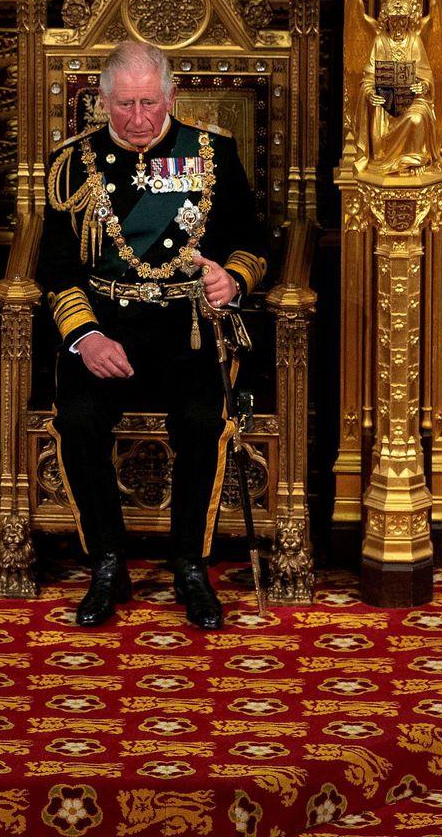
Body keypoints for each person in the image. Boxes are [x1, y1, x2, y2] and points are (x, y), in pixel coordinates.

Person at [40, 40, 268, 631]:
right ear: (102, 101)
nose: (138, 120)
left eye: (149, 103)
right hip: (106, 326)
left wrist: (232, 277)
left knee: (200, 419)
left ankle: (191, 564)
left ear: (171, 96)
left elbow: (253, 243)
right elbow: (58, 268)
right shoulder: (72, 163)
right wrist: (85, 336)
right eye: (123, 106)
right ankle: (108, 560)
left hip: (188, 327)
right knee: (80, 418)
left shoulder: (213, 154)